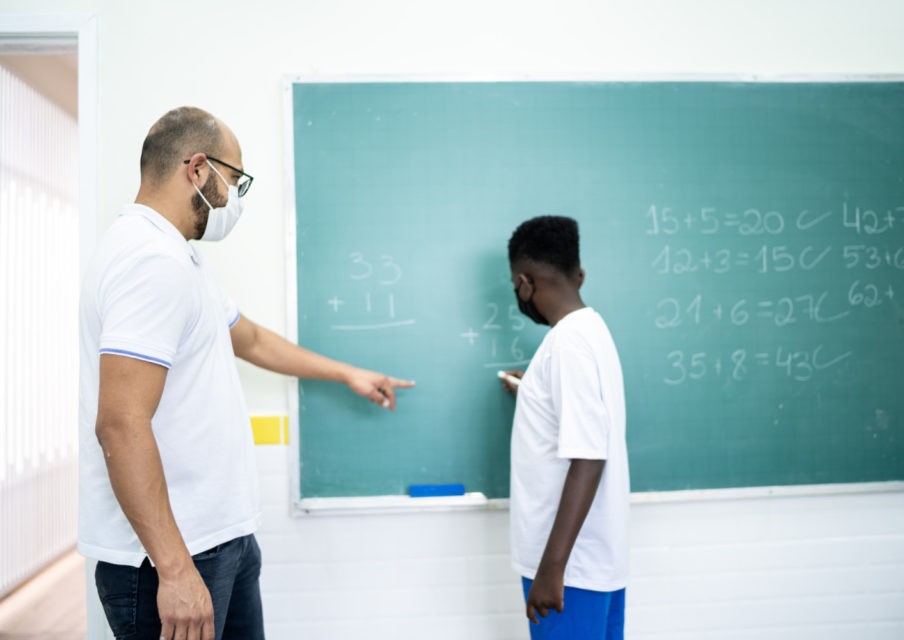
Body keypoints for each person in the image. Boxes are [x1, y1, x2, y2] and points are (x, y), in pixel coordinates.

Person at [78, 106, 414, 640]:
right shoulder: (149, 262)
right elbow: (119, 422)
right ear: (197, 168)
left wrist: (347, 372)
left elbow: (250, 339)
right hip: (172, 558)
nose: (235, 197)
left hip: (220, 540)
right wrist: (174, 568)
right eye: (234, 180)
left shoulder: (180, 259)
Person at [501, 215, 629, 639]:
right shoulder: (591, 331)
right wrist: (532, 392)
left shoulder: (567, 344)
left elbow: (589, 456)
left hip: (568, 572)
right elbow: (582, 423)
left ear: (524, 283)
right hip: (593, 561)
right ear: (580, 275)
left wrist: (551, 569)